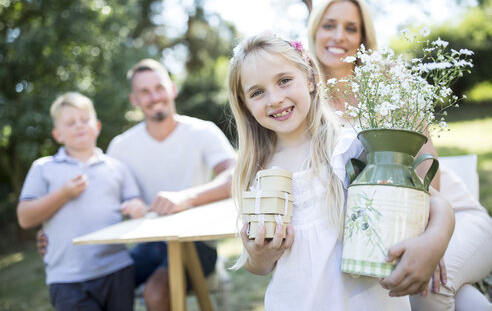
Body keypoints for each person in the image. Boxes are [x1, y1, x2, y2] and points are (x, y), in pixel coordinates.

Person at [307, 0, 492, 310]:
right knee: (459, 299)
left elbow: (425, 164)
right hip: (384, 227)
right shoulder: (304, 96)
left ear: (363, 38)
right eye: (329, 25)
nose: (339, 36)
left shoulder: (387, 82)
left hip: (448, 215)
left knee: (429, 289)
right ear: (314, 31)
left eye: (351, 28)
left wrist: (430, 239)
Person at [228, 33, 419, 310]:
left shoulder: (351, 148)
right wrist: (260, 254)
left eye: (284, 81)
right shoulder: (257, 173)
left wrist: (432, 244)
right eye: (257, 92)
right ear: (245, 104)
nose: (275, 99)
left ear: (309, 78)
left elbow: (431, 203)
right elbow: (258, 266)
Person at [106, 58, 236, 311]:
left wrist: (186, 198)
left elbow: (236, 176)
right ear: (134, 99)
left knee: (156, 293)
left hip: (196, 243)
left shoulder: (202, 131)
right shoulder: (120, 146)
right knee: (105, 285)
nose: (154, 96)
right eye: (144, 91)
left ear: (172, 89)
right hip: (147, 243)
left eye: (159, 87)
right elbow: (100, 197)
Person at [17, 92, 147, 311]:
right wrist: (63, 194)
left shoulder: (117, 168)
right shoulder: (44, 168)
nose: (79, 126)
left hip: (117, 269)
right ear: (58, 134)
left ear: (96, 126)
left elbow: (136, 203)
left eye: (84, 120)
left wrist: (137, 207)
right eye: (70, 123)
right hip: (67, 278)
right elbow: (25, 217)